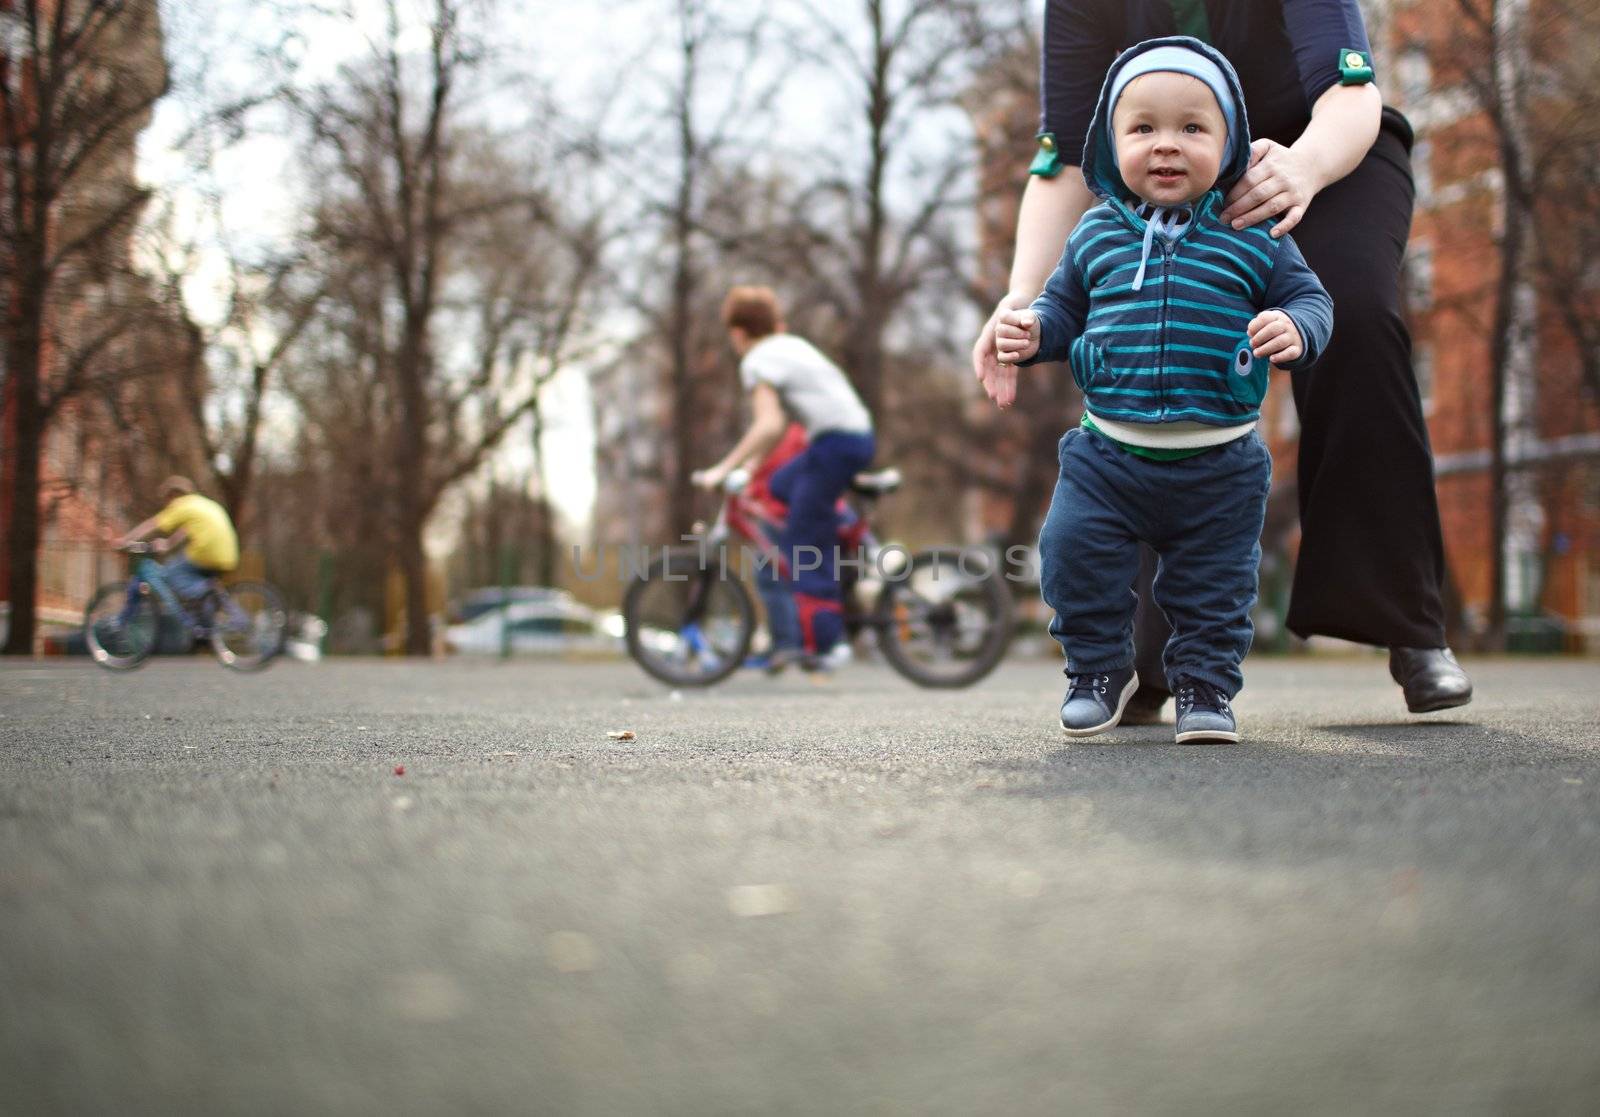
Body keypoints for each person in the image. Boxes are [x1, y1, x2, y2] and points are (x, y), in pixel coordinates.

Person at [975, 0, 1473, 719]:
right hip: (1165, 168)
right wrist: (1020, 298)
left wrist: (1302, 167)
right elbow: (1067, 155)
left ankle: (1410, 625)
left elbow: (1349, 90)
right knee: (1142, 323)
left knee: (1351, 312)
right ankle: (1150, 652)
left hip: (1318, 153)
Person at [994, 37, 1331, 742]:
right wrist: (1031, 333)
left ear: (1230, 141)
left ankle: (1205, 690)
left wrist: (1296, 328)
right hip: (1107, 455)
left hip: (1221, 462)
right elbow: (1062, 312)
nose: (1166, 145)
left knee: (1215, 589)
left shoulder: (1255, 230)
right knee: (1072, 551)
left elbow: (1311, 299)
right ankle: (1096, 670)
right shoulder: (1093, 235)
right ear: (1111, 142)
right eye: (1143, 128)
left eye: (1192, 127)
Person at [694, 287, 875, 664]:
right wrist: (752, 468)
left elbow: (770, 424)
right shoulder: (790, 344)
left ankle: (829, 643)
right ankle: (840, 532)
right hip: (848, 438)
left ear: (739, 334)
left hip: (836, 444)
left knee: (801, 543)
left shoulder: (757, 359)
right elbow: (775, 430)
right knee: (780, 485)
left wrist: (723, 469)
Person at [111, 476, 239, 611]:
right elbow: (185, 531)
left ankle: (208, 591)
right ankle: (207, 621)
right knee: (192, 585)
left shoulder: (182, 504)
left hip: (206, 552)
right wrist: (168, 544)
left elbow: (153, 525)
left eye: (167, 500)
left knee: (172, 573)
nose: (167, 505)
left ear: (174, 495)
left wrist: (125, 540)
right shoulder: (203, 504)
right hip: (229, 556)